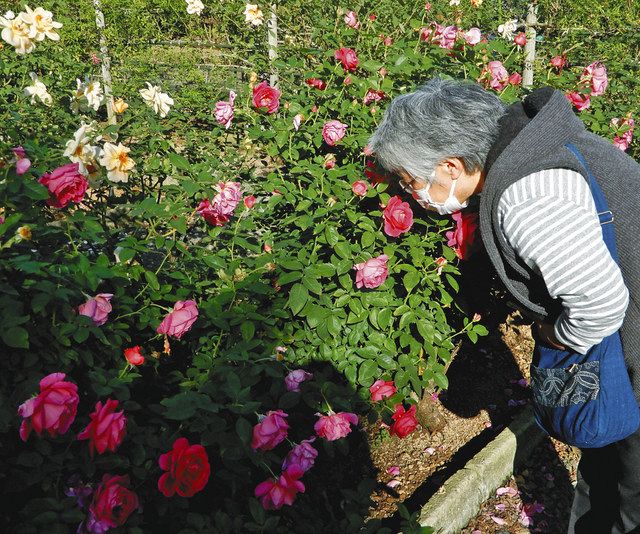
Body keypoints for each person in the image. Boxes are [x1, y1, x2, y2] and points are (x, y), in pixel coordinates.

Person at [368, 77, 640, 533]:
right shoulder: (536, 143)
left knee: (631, 487)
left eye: (410, 179)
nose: (407, 192)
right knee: (608, 470)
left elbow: (599, 304)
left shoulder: (529, 196)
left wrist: (556, 335)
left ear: (451, 165)